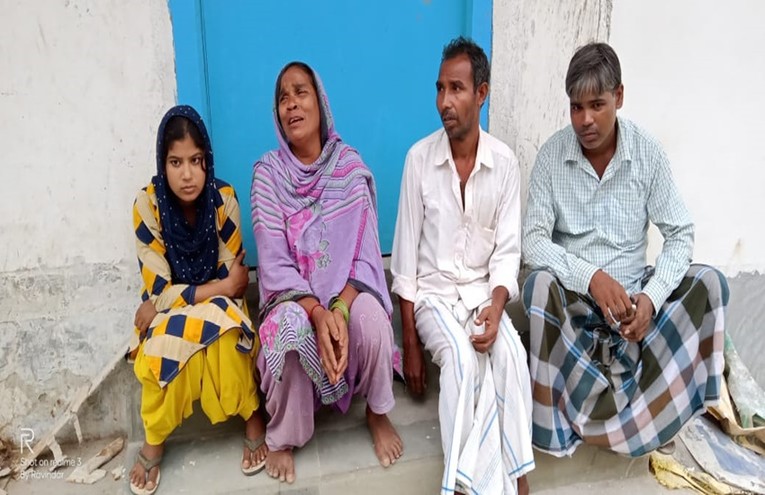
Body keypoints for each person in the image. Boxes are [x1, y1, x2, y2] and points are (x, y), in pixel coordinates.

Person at [522, 42, 729, 458]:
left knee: (711, 284)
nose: (585, 120)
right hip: (575, 308)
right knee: (538, 286)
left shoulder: (646, 152)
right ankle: (562, 429)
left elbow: (680, 233)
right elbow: (533, 242)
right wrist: (591, 279)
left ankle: (661, 411)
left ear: (619, 96)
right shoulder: (551, 157)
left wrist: (650, 298)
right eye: (576, 107)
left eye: (596, 105)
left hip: (635, 308)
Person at [391, 37, 534, 495]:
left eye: (456, 89)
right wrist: (410, 344)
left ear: (482, 93)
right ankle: (460, 486)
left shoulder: (504, 164)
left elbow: (507, 253)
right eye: (440, 89)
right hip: (433, 298)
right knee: (461, 361)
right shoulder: (419, 160)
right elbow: (405, 262)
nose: (444, 102)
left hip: (480, 296)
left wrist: (497, 306)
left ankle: (517, 478)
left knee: (511, 355)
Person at [250, 62, 403, 484]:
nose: (291, 104)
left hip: (342, 301)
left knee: (372, 317)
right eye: (283, 97)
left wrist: (338, 308)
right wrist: (317, 313)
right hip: (297, 305)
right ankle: (285, 433)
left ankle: (377, 413)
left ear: (320, 103)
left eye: (301, 92)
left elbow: (366, 257)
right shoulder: (267, 175)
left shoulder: (348, 168)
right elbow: (274, 266)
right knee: (288, 327)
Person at [128, 105, 268, 494]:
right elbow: (162, 290)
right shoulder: (147, 205)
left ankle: (252, 414)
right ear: (163, 162)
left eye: (195, 160)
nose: (187, 174)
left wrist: (175, 298)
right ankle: (155, 438)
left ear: (207, 160)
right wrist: (211, 290)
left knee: (228, 332)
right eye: (175, 162)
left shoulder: (223, 199)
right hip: (196, 305)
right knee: (161, 346)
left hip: (216, 308)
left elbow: (234, 283)